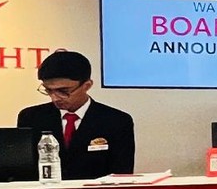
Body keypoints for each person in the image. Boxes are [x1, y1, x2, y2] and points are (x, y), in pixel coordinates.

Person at [17, 50, 135, 179]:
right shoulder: (31, 117)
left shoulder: (116, 121)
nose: (55, 98)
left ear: (87, 85)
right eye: (48, 90)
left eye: (63, 91)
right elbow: (23, 171)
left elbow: (121, 174)